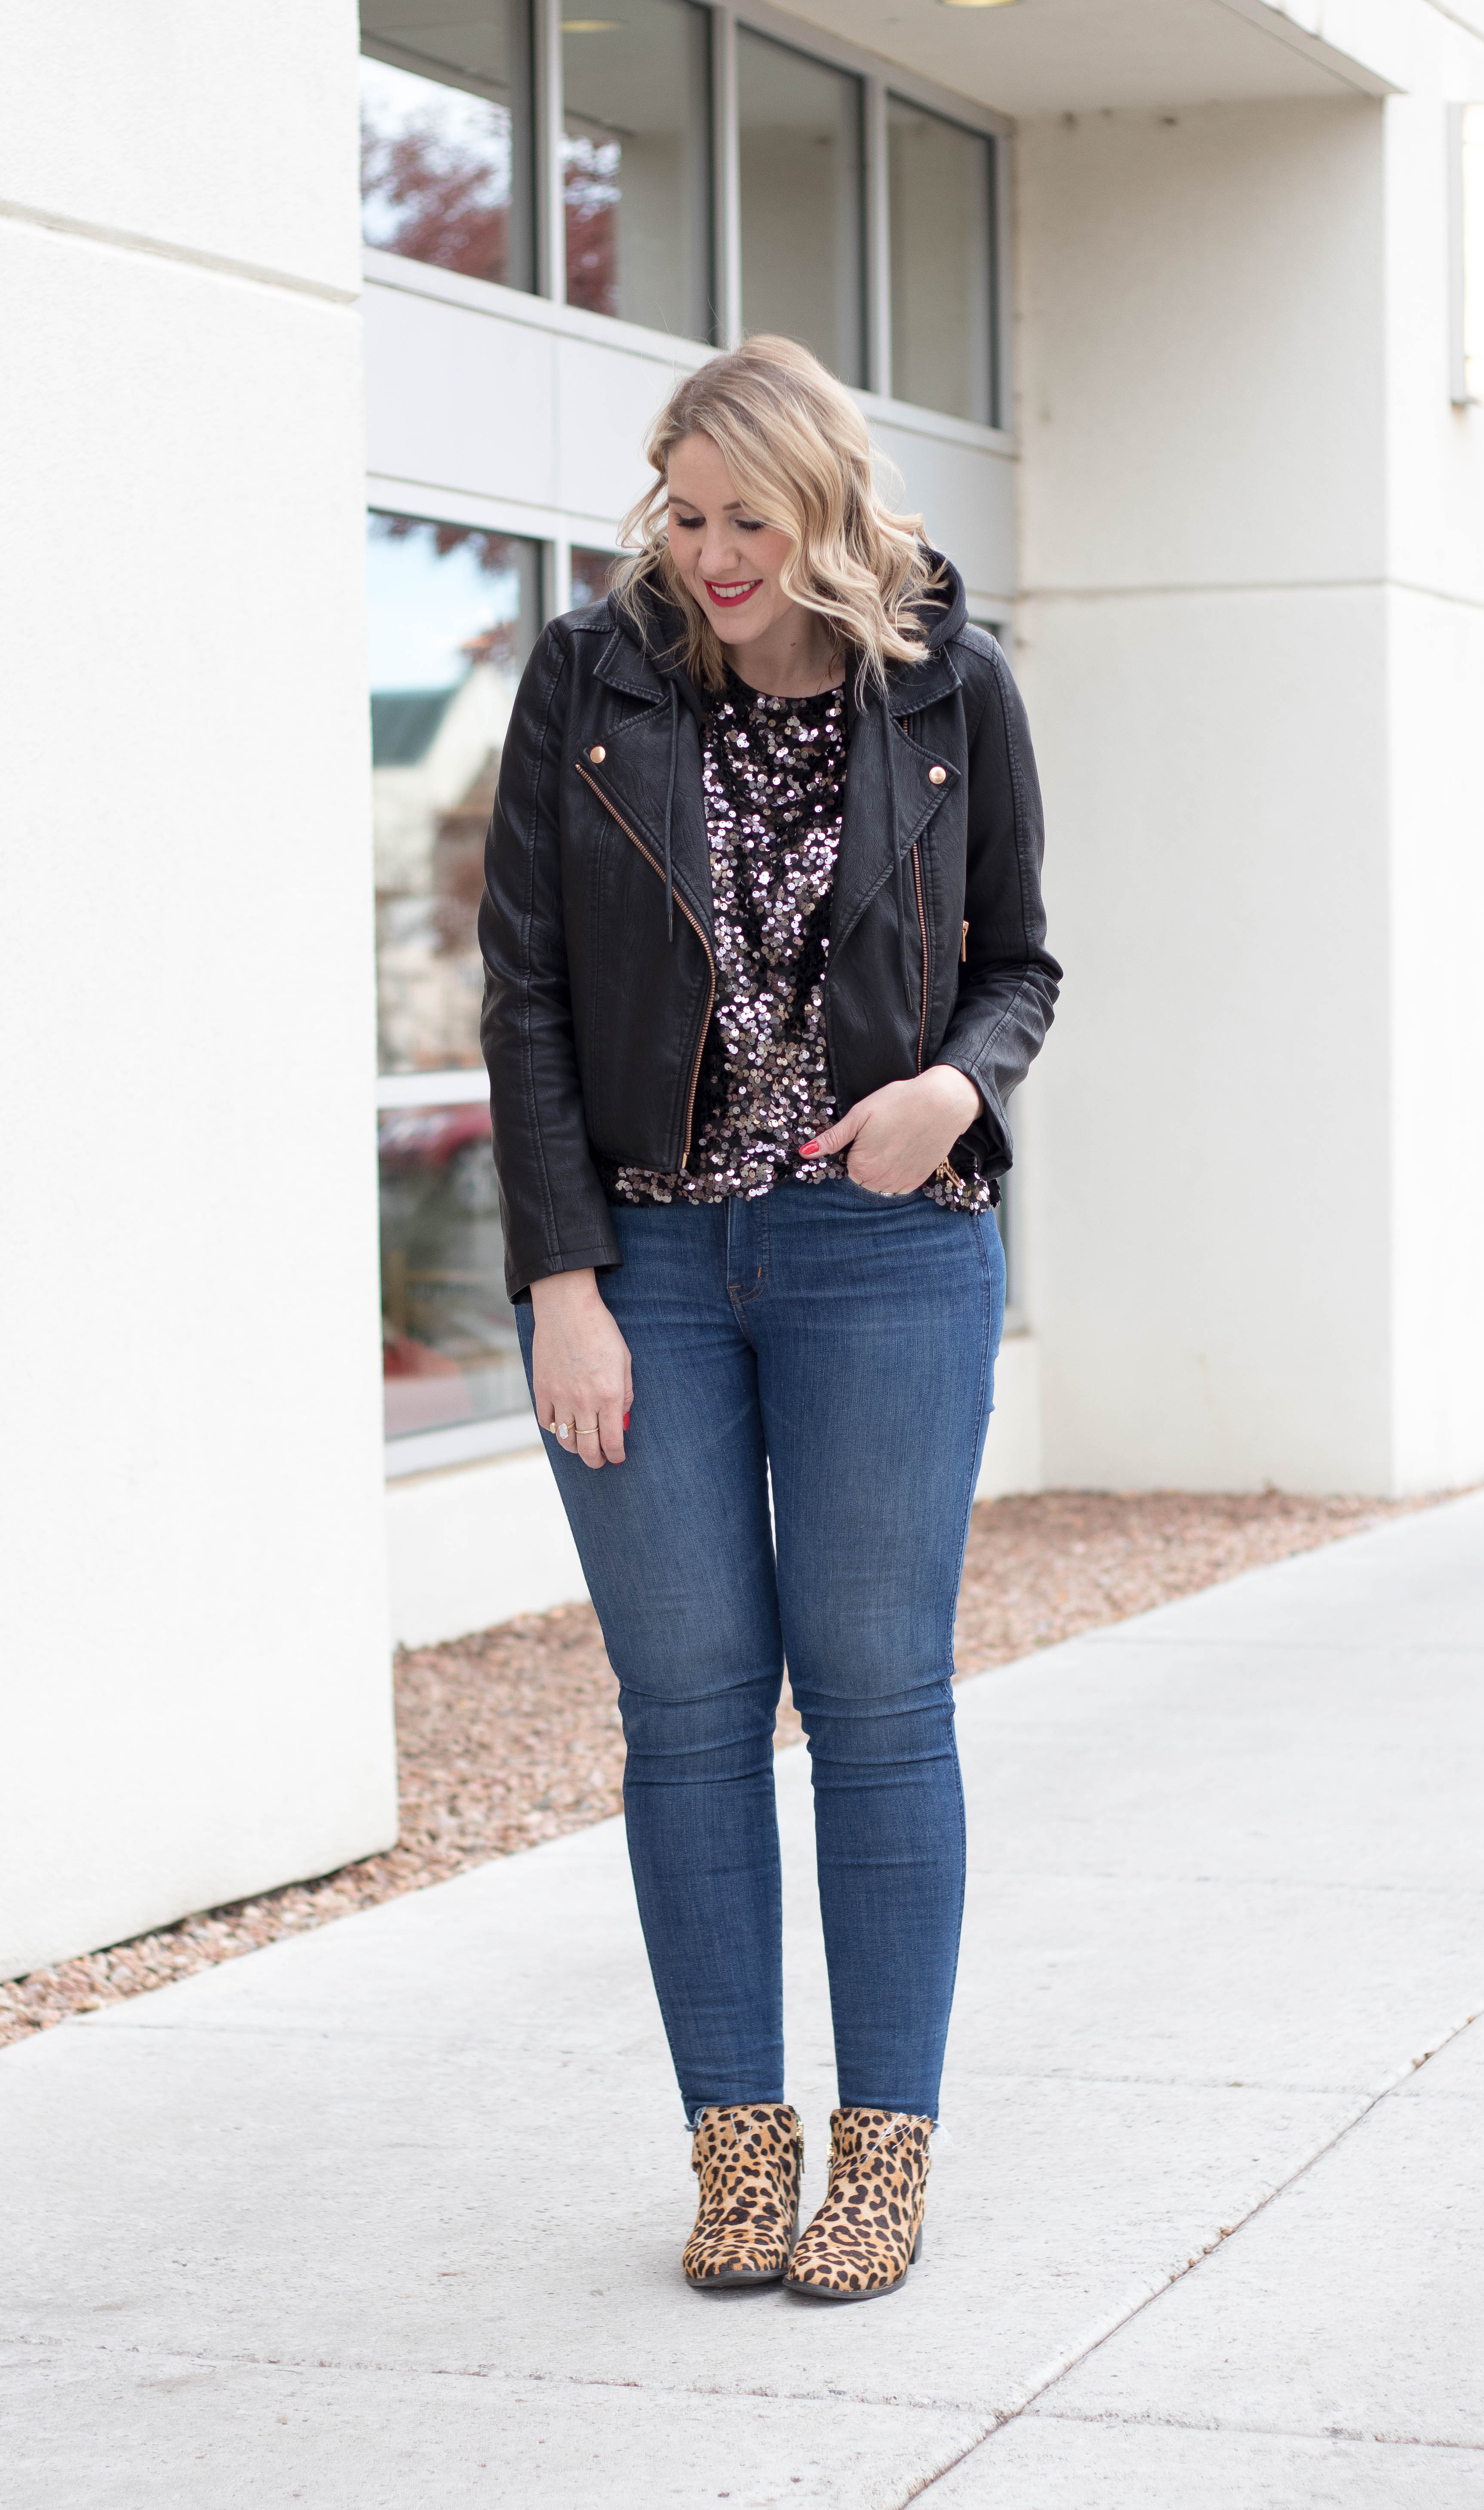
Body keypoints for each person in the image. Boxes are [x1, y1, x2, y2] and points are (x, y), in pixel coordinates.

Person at [479, 335, 1059, 2302]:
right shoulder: (593, 677)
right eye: (686, 514)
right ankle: (739, 2151)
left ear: (824, 512)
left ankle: (879, 2157)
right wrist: (560, 1277)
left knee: (879, 1702)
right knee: (690, 1712)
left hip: (882, 1252)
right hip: (646, 1258)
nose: (710, 556)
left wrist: (950, 1094)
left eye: (748, 519)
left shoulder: (948, 690)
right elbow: (527, 987)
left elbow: (1020, 963)